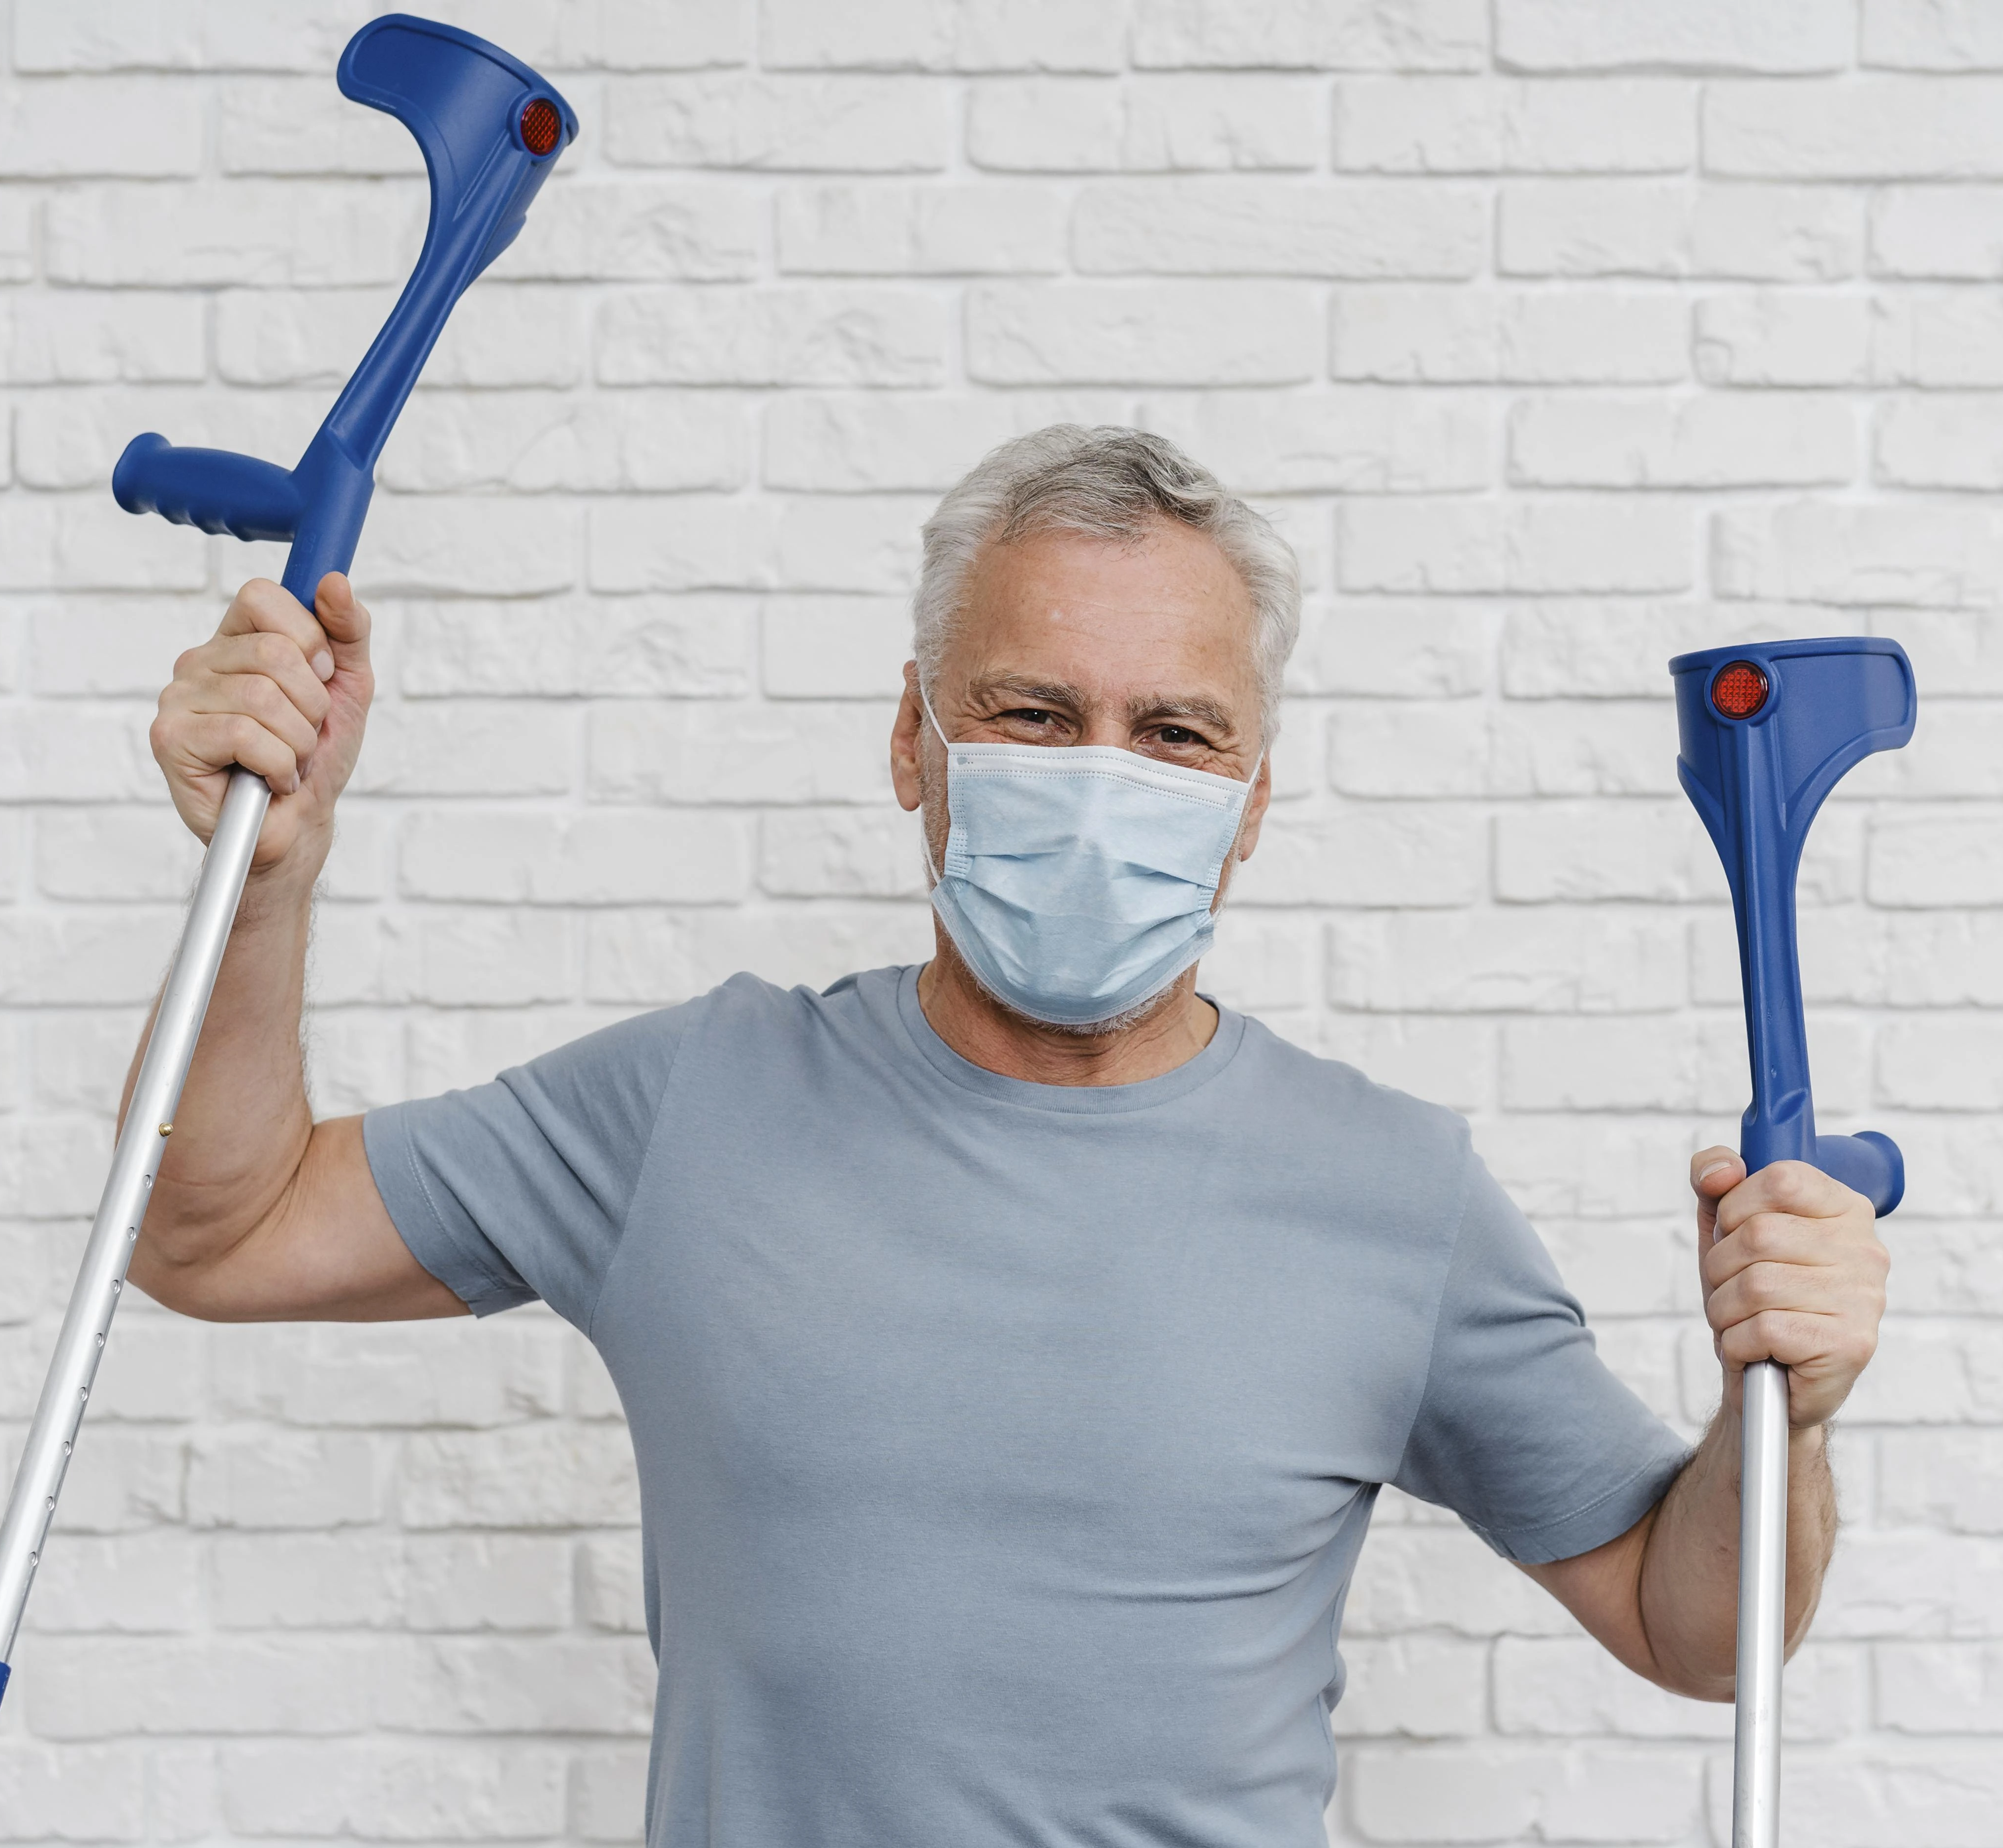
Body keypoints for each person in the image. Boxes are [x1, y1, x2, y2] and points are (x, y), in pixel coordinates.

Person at [132, 426, 1888, 1847]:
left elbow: (1694, 1625)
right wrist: (267, 875)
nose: (1101, 778)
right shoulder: (691, 1106)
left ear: (1248, 804)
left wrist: (1787, 1413)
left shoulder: (1393, 1193)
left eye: (1174, 732)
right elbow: (217, 1227)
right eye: (1033, 715)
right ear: (915, 740)